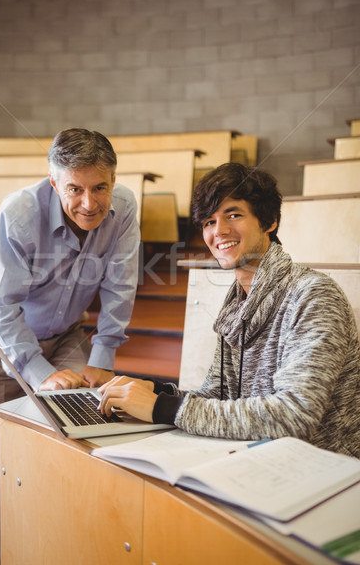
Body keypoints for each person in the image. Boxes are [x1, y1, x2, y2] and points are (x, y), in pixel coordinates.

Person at [98, 162, 360, 459]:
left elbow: (294, 416)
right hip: (256, 459)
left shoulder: (313, 295)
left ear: (270, 221)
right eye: (209, 222)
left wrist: (161, 408)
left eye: (233, 215)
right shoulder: (236, 303)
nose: (219, 231)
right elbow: (216, 397)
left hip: (323, 470)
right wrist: (156, 392)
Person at [0, 128, 140, 564]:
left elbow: (121, 286)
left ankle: (66, 548)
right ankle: (2, 556)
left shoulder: (126, 208)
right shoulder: (20, 212)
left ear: (113, 179)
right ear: (53, 181)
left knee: (84, 427)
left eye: (100, 186)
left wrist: (103, 357)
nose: (89, 202)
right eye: (74, 189)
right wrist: (39, 372)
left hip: (64, 333)